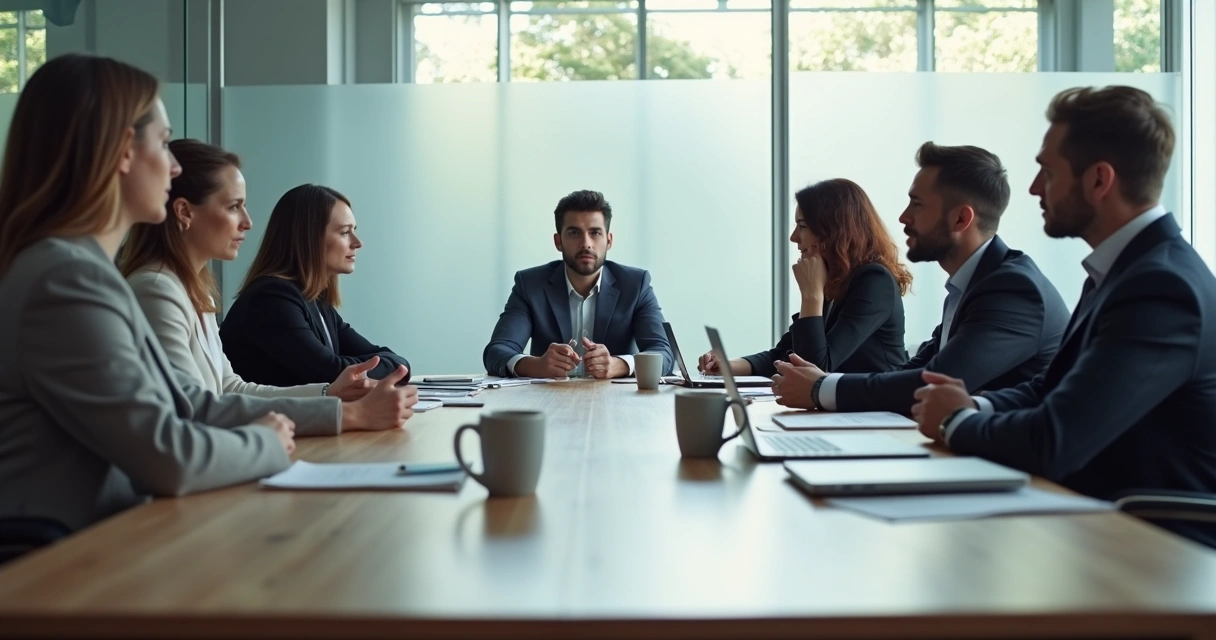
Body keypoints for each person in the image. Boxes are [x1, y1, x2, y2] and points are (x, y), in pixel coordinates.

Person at [0, 54, 344, 530]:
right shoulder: (66, 281)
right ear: (123, 150)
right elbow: (166, 455)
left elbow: (188, 402)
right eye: (163, 143)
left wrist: (334, 411)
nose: (174, 164)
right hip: (64, 568)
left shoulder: (75, 271)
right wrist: (264, 441)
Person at [911, 86, 1216, 506]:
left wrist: (955, 420)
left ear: (1098, 180)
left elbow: (1055, 441)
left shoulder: (1162, 287)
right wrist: (975, 406)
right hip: (1098, 519)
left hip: (1154, 542)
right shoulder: (1123, 271)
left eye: (1048, 172)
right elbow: (1051, 387)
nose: (1035, 188)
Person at [119, 140, 417, 432]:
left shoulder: (194, 293)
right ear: (184, 212)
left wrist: (328, 395)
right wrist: (348, 415)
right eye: (234, 207)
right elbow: (194, 408)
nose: (248, 222)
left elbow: (230, 387)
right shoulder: (156, 289)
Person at [771, 143, 1069, 415]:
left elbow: (935, 381)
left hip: (1009, 464)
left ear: (960, 220)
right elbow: (912, 369)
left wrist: (820, 388)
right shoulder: (973, 283)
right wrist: (821, 385)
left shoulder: (1012, 289)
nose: (903, 217)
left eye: (917, 205)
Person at [698, 179, 911, 378]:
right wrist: (727, 365)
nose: (793, 237)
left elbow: (812, 369)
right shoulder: (836, 280)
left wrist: (811, 295)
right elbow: (785, 354)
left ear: (834, 231)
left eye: (802, 226)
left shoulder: (874, 281)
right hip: (841, 411)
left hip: (879, 414)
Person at [221, 184, 413, 387]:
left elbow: (398, 364)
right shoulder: (272, 298)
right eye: (344, 232)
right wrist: (370, 366)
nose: (357, 242)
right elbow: (331, 374)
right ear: (309, 238)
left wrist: (373, 365)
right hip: (268, 419)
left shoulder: (316, 300)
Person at [483, 190, 674, 379]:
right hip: (547, 402)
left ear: (608, 241)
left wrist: (620, 364)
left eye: (595, 233)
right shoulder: (530, 285)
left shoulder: (635, 285)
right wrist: (536, 365)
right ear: (558, 241)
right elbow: (497, 352)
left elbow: (664, 353)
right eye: (574, 233)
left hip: (616, 403)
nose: (586, 243)